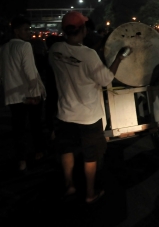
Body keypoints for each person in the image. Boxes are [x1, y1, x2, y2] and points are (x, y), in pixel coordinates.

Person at [49, 11, 127, 203]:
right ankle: (90, 193)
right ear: (83, 29)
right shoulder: (89, 55)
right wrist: (119, 58)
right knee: (90, 155)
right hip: (89, 117)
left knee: (66, 150)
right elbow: (106, 80)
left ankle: (70, 186)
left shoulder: (55, 50)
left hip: (65, 114)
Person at [0, 16, 46, 172]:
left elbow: (2, 73)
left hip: (13, 95)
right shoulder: (25, 46)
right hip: (28, 94)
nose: (29, 32)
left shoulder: (3, 48)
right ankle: (38, 152)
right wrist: (35, 93)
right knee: (35, 125)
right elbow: (30, 72)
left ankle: (21, 159)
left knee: (18, 129)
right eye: (26, 29)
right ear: (16, 31)